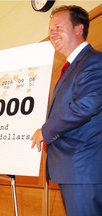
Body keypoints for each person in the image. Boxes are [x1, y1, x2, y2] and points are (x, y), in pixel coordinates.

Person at [31, 5, 102, 216]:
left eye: (58, 27)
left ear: (79, 29)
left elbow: (87, 104)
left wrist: (46, 130)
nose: (52, 34)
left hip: (82, 169)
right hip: (72, 169)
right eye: (50, 29)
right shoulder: (72, 66)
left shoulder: (94, 62)